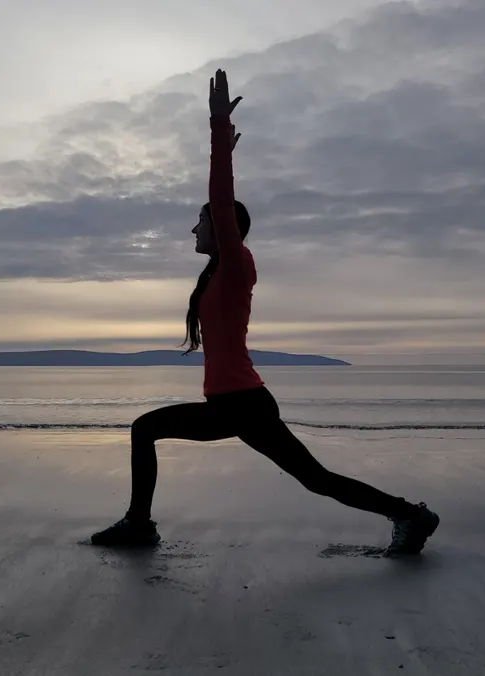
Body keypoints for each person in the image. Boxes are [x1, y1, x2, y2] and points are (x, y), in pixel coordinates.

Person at [91, 69, 440, 556]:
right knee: (312, 478)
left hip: (243, 404)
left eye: (200, 222)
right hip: (233, 404)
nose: (193, 230)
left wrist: (217, 134)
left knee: (310, 477)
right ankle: (411, 514)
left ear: (224, 228)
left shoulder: (236, 265)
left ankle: (138, 525)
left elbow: (219, 196)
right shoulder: (215, 275)